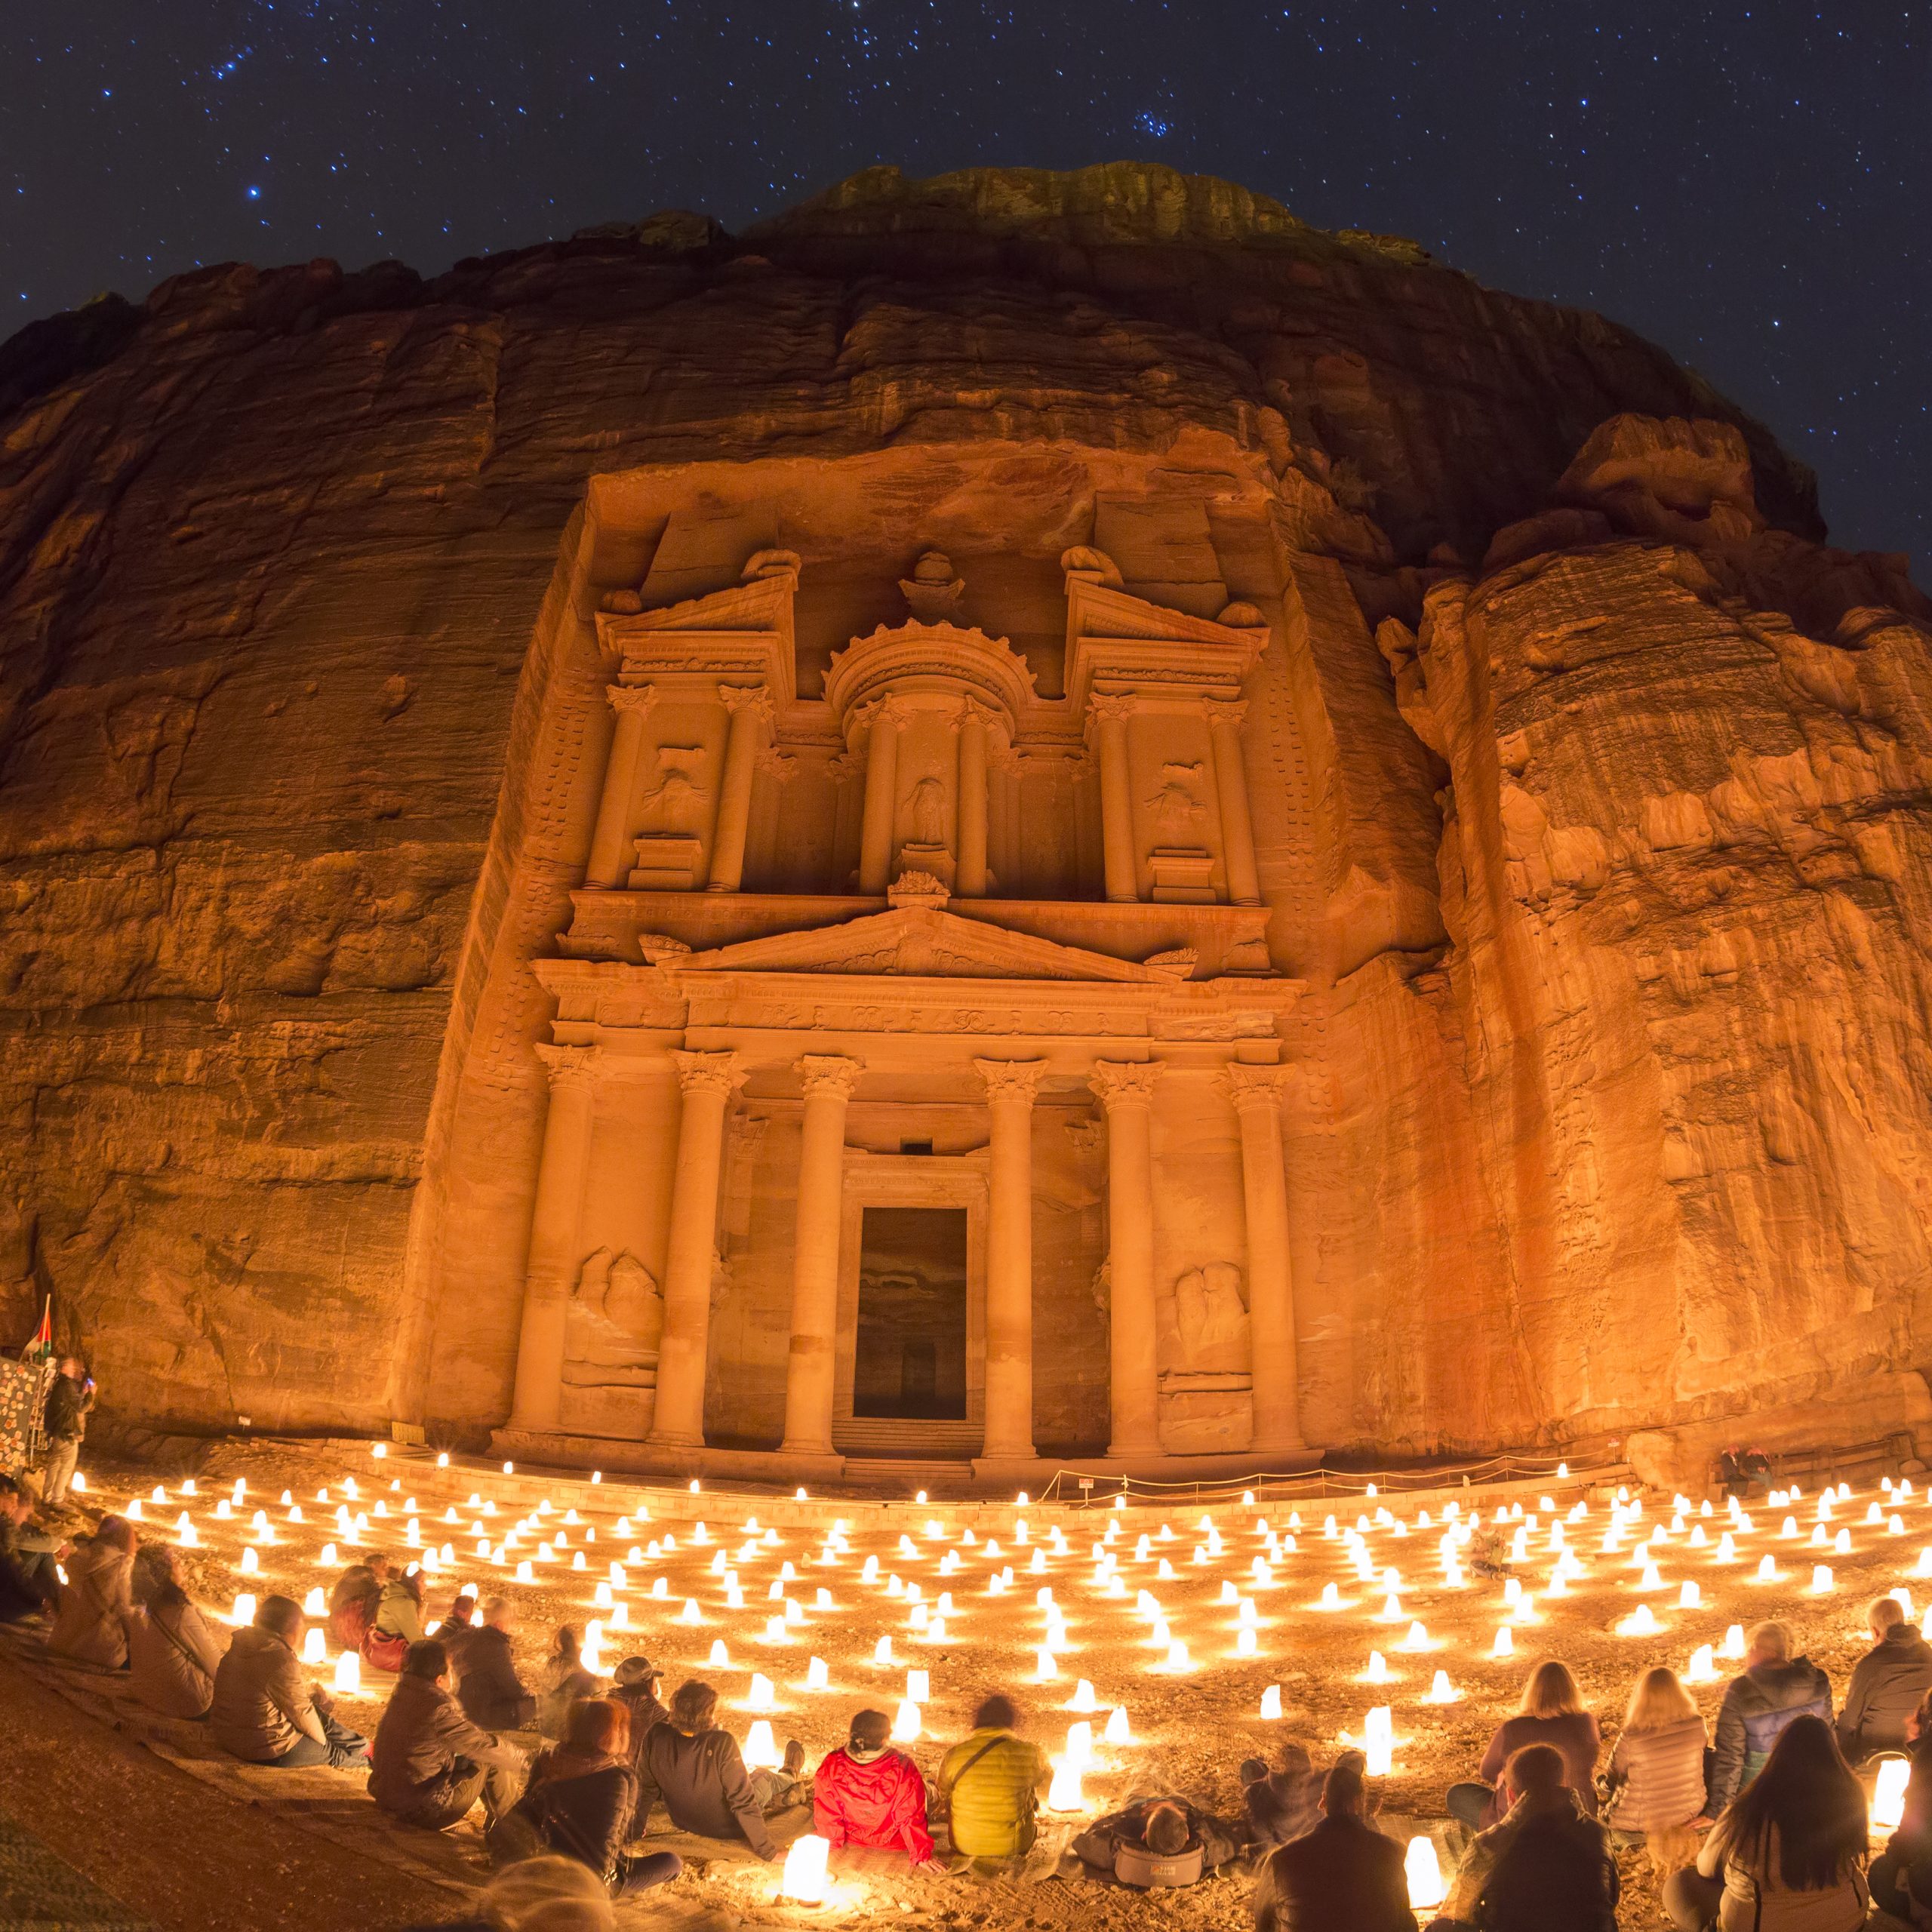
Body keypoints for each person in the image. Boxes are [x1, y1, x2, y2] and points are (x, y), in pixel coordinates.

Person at [1662, 1714, 1869, 1930]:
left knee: (1680, 1884)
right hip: (1848, 1921)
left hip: (1761, 1924)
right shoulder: (1852, 1799)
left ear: (1777, 1756)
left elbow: (1706, 1868)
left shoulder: (1749, 1810)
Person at [493, 1697, 682, 1896]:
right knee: (672, 1862)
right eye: (622, 1728)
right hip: (583, 1884)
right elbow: (606, 1851)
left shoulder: (547, 1762)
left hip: (541, 1866)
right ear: (611, 1733)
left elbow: (529, 1819)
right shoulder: (618, 1778)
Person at [1431, 1743, 1617, 1932]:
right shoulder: (1599, 1833)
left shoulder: (1489, 1845)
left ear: (1511, 1794)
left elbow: (1460, 1916)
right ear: (1563, 1784)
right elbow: (1611, 1897)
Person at [370, 1638, 526, 1831]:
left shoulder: (403, 1693)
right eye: (450, 1669)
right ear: (439, 1679)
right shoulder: (437, 1709)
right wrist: (525, 1761)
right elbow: (482, 1746)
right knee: (489, 1758)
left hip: (389, 1796)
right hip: (418, 1809)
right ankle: (520, 1830)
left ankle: (502, 1820)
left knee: (475, 1754)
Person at [632, 1679, 792, 1860]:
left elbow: (645, 1788)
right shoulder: (722, 1743)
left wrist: (635, 1830)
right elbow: (743, 1801)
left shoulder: (656, 1734)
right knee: (763, 1777)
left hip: (682, 1820)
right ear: (707, 1715)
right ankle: (790, 1773)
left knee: (752, 1777)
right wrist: (768, 1852)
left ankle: (786, 1776)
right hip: (726, 1826)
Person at [210, 1594, 369, 1768]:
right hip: (264, 1747)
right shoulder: (280, 1660)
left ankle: (363, 1746)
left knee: (318, 1716)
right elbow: (301, 1712)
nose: (301, 1635)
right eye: (301, 1629)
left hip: (227, 1734)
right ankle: (377, 1763)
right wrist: (322, 1745)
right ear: (289, 1630)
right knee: (332, 1753)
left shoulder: (243, 1643)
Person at [1254, 1761, 1412, 1932]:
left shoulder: (1280, 1861)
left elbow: (1262, 1925)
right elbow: (1404, 1923)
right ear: (1358, 1802)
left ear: (1323, 1801)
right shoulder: (1392, 1853)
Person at [1446, 1658, 1601, 1831]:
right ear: (1572, 1691)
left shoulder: (1512, 1728)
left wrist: (1506, 1778)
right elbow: (1589, 1759)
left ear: (1532, 1692)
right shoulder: (1586, 1723)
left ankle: (1499, 1829)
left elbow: (1487, 1771)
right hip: (1578, 1819)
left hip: (1519, 1823)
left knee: (1458, 1794)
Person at [1708, 1620, 1832, 1814]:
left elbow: (1730, 1757)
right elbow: (1827, 1737)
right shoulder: (1818, 1680)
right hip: (1806, 1784)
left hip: (1758, 1792)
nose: (1746, 1655)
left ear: (1764, 1651)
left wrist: (1718, 1810)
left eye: (1750, 1649)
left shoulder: (1741, 1690)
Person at [936, 1693, 1052, 1863]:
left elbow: (942, 1792)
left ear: (977, 1722)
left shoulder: (955, 1754)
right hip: (1014, 1845)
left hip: (964, 1843)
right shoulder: (1030, 1753)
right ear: (1011, 1721)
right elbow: (1048, 1783)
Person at [813, 1708, 937, 1866]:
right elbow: (909, 1814)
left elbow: (827, 1812)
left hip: (852, 1837)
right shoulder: (903, 1768)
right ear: (885, 1739)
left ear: (852, 1735)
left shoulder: (832, 1765)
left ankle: (931, 1789)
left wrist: (830, 1842)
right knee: (925, 1790)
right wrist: (921, 1854)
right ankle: (933, 1789)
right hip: (894, 1842)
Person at [1601, 1666, 1710, 1839]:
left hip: (1638, 1823)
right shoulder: (1698, 1725)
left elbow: (1614, 1773)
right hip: (1689, 1813)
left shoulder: (1631, 1736)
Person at [128, 1547, 227, 1718]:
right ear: (166, 1572)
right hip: (185, 1704)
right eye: (174, 1560)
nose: (180, 1563)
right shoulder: (181, 1612)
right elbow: (216, 1667)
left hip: (144, 1692)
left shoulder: (137, 1605)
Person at [1837, 1594, 1932, 1764]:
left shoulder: (1871, 1665)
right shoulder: (1928, 1654)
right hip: (1922, 1748)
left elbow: (1849, 1722)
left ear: (1875, 1631)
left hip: (1875, 1751)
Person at [1074, 1792, 1242, 1886]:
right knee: (1175, 1789)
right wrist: (1190, 1814)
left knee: (1142, 1779)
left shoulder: (1118, 1851)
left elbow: (1084, 1840)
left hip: (1141, 1801)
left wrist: (1131, 1813)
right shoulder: (1210, 1851)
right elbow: (1230, 1836)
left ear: (1143, 1835)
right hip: (1178, 1801)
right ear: (1188, 1835)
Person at [1871, 1688, 1932, 1918]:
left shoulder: (1927, 1759)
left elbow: (1911, 1834)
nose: (1910, 1718)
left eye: (1920, 1711)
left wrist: (1896, 1856)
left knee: (1880, 1873)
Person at [47, 1514, 135, 1669]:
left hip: (62, 1641)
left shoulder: (76, 1559)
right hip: (99, 1648)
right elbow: (124, 1608)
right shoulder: (121, 1565)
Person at [455, 1596, 537, 1733]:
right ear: (499, 1624)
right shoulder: (497, 1645)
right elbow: (513, 1688)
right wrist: (532, 1695)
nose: (511, 1626)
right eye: (509, 1622)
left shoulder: (470, 1635)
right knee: (537, 1704)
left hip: (462, 1703)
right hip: (481, 1713)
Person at [1240, 1741, 1337, 1847]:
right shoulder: (1325, 1786)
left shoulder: (1256, 1793)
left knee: (1249, 1766)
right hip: (1307, 1853)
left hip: (1284, 1855)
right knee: (1249, 1766)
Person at [0, 1472, 64, 1619]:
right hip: (5, 1608)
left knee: (42, 1551)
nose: (15, 1506)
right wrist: (40, 1601)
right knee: (43, 1552)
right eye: (12, 1500)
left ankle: (59, 1599)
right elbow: (15, 1569)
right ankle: (59, 1601)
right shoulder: (3, 1524)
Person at [38, 1357, 93, 1507]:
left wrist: (82, 1392)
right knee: (66, 1466)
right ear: (64, 1369)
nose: (76, 1371)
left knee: (55, 1463)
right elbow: (81, 1407)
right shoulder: (67, 1385)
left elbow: (71, 1403)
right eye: (73, 1368)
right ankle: (57, 1499)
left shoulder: (61, 1384)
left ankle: (47, 1496)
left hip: (58, 1431)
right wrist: (90, 1394)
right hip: (66, 1432)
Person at [537, 1626, 599, 1739]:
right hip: (566, 1726)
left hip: (546, 1722)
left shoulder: (553, 1663)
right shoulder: (578, 1670)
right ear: (575, 1645)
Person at [365, 1565, 426, 1672]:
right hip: (391, 1654)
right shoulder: (403, 1602)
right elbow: (416, 1640)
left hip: (381, 1648)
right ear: (412, 1582)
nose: (426, 1585)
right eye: (422, 1581)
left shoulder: (396, 1593)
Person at [609, 1657, 668, 1766]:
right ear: (647, 1682)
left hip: (610, 1768)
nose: (657, 1683)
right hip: (639, 1774)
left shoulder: (609, 1702)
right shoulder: (658, 1714)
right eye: (655, 1679)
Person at [328, 1556, 389, 1653]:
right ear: (373, 1567)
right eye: (383, 1566)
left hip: (339, 1630)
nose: (387, 1569)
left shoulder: (352, 1576)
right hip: (356, 1636)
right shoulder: (369, 1584)